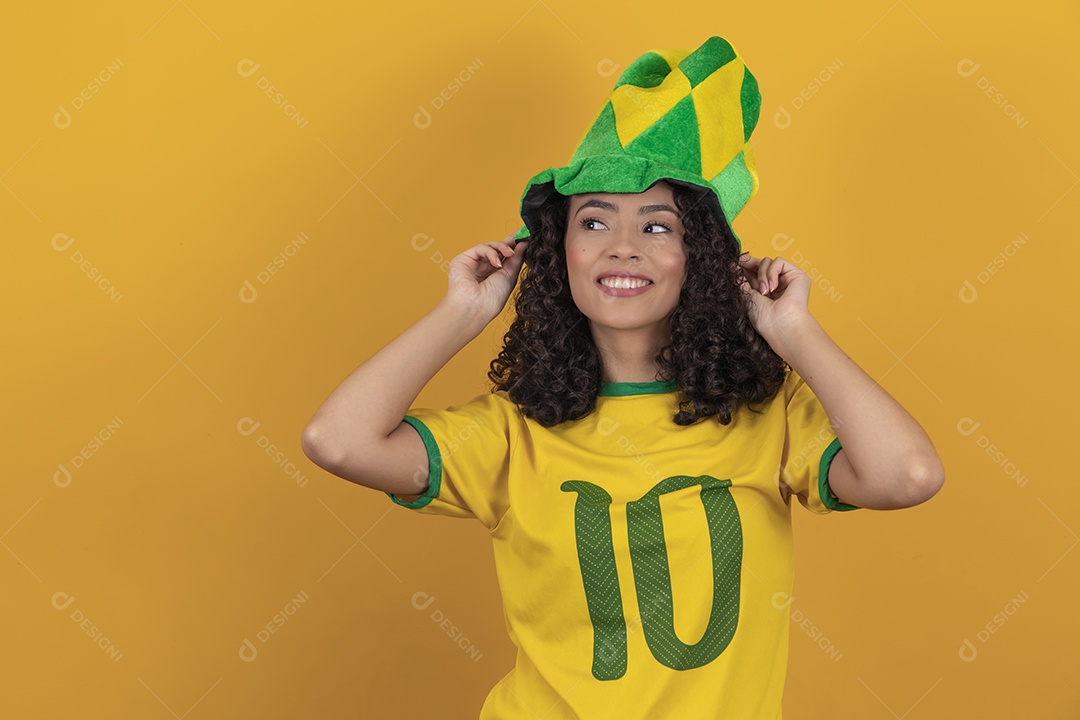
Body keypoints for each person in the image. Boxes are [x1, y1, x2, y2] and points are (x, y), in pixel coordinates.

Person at [302, 36, 944, 719]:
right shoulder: (511, 432)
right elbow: (337, 441)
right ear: (561, 250)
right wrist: (463, 311)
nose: (622, 247)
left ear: (699, 254)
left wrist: (794, 332)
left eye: (659, 226)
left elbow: (906, 476)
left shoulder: (772, 416)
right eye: (594, 220)